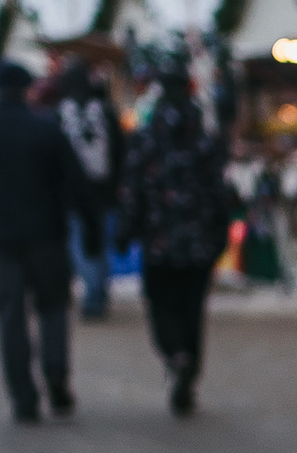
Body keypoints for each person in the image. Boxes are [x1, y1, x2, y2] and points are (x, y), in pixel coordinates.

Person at [0, 58, 78, 423]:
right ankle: (56, 371)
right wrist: (90, 229)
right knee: (53, 307)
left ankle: (23, 395)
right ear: (27, 90)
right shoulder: (46, 131)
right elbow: (74, 183)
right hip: (46, 236)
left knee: (10, 315)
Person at [123, 58, 236, 414]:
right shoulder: (203, 139)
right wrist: (220, 230)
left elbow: (133, 189)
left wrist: (129, 227)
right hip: (199, 239)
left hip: (159, 239)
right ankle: (188, 363)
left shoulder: (147, 138)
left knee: (161, 304)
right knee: (192, 308)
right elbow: (220, 190)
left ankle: (175, 353)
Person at [52, 61, 124, 320]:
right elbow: (120, 152)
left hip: (71, 194)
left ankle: (93, 294)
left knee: (79, 244)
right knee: (100, 243)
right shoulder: (105, 111)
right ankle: (99, 291)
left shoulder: (60, 114)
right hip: (105, 192)